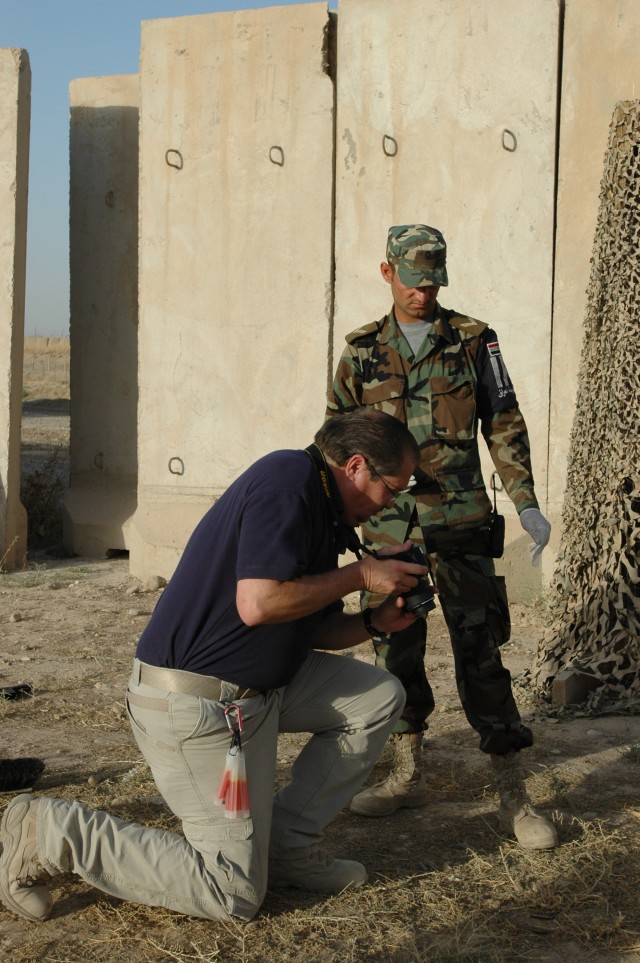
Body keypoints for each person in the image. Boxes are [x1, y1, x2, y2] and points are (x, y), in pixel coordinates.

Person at [0, 410, 428, 924]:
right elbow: (260, 603)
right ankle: (48, 832)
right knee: (233, 893)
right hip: (197, 706)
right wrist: (361, 573)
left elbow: (307, 626)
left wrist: (376, 622)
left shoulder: (321, 506)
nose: (392, 504)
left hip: (257, 692)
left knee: (376, 697)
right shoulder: (287, 481)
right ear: (357, 466)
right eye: (392, 489)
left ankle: (286, 849)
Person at [326, 224, 558, 850]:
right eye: (412, 280)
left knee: (480, 650)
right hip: (390, 529)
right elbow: (336, 445)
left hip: (459, 525)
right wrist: (328, 521)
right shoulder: (359, 352)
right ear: (387, 272)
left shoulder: (475, 341)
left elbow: (504, 424)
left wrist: (527, 502)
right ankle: (406, 772)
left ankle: (513, 789)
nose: (422, 294)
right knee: (395, 649)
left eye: (433, 282)